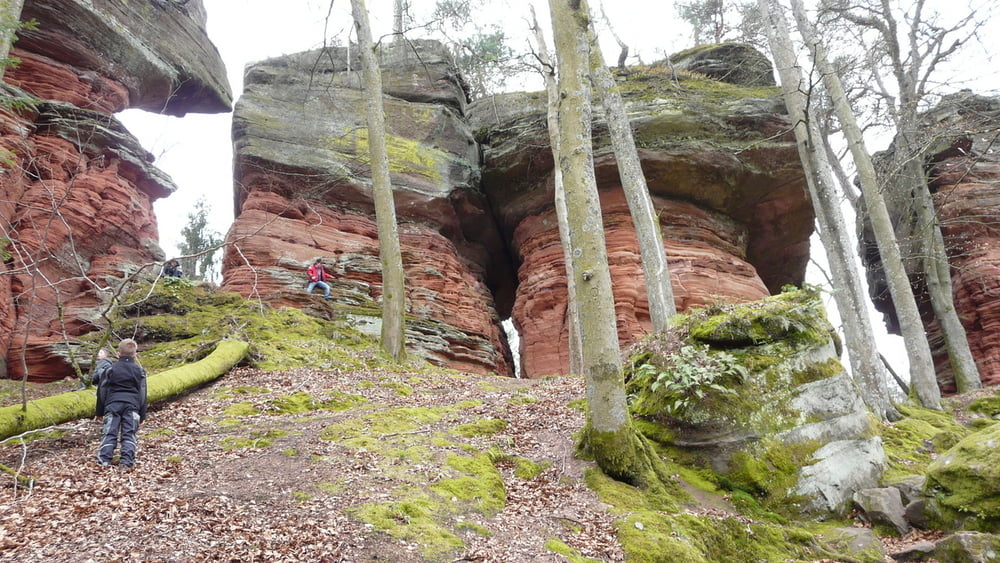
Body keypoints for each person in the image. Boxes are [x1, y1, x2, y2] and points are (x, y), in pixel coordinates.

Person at [95, 339, 148, 469]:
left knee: (109, 433)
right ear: (135, 355)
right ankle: (126, 462)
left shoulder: (109, 370)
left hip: (113, 405)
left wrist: (99, 412)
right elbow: (142, 393)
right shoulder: (139, 371)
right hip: (132, 406)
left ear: (118, 354)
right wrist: (142, 414)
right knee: (129, 434)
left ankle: (104, 460)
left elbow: (102, 391)